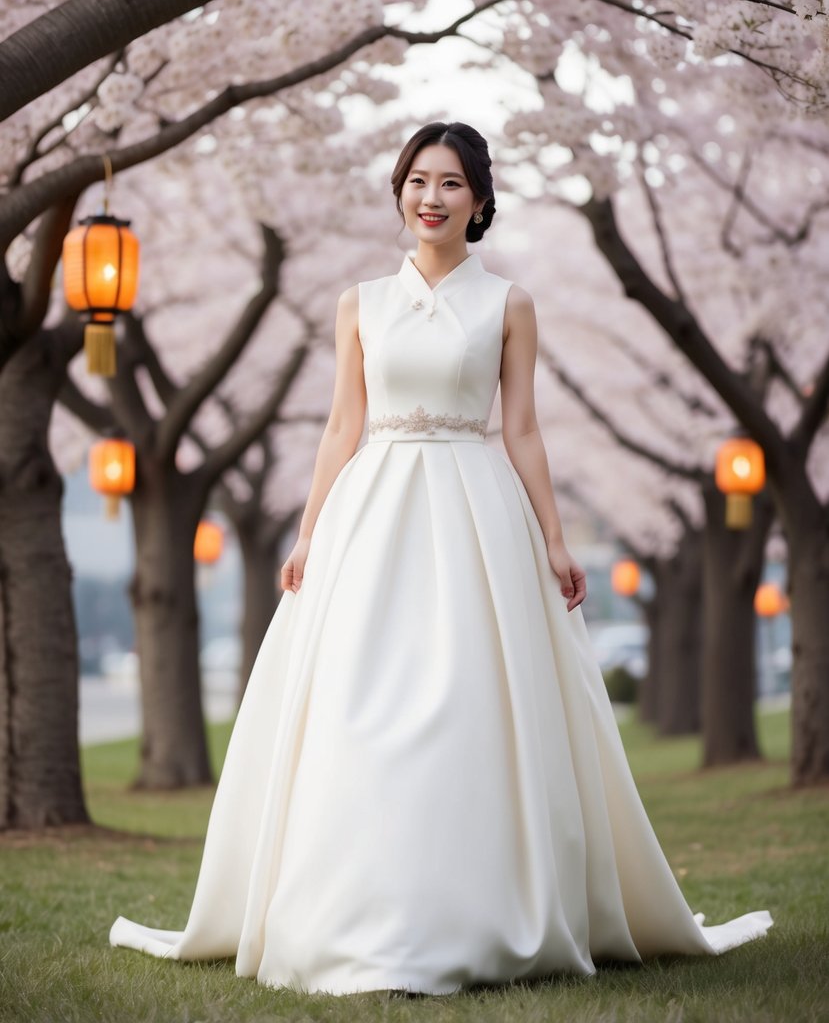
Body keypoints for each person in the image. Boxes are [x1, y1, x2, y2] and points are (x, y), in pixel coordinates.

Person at [110, 121, 772, 995]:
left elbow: (524, 428)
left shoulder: (510, 304)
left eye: (451, 183)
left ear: (479, 200)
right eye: (418, 180)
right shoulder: (359, 303)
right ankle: (355, 918)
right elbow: (343, 424)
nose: (431, 197)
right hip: (373, 510)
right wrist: (310, 529)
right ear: (399, 192)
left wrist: (554, 536)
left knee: (471, 696)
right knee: (359, 700)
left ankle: (476, 913)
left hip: (473, 508)